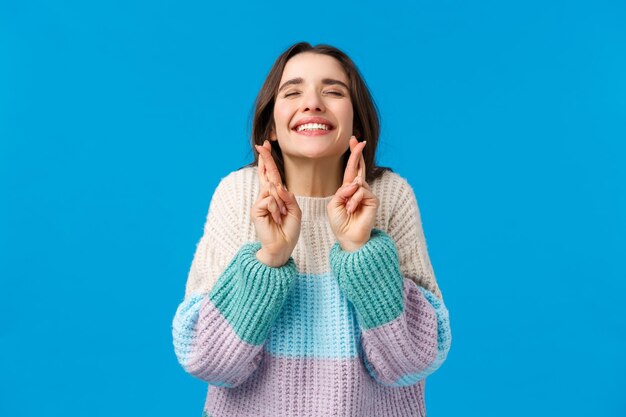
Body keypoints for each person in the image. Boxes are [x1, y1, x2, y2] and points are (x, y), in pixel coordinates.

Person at [172, 41, 451, 417]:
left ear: (357, 119)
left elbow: (412, 362)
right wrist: (269, 259)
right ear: (270, 123)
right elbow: (207, 360)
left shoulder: (389, 196)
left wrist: (361, 252)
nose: (313, 102)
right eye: (293, 91)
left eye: (333, 91)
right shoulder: (238, 194)